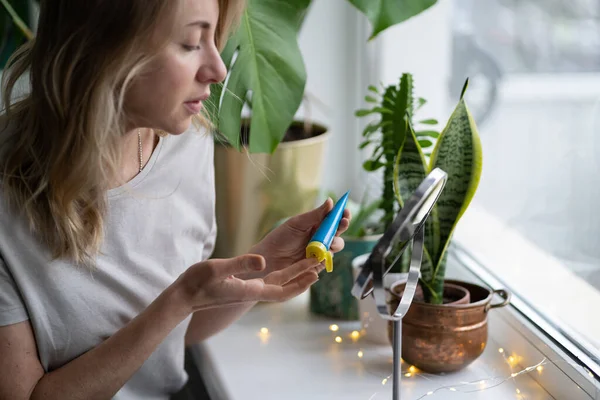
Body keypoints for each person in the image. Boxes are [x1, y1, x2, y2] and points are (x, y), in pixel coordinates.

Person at [0, 0, 351, 399]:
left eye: (214, 38)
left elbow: (178, 333)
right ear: (104, 47)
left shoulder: (189, 143)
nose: (218, 70)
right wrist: (179, 299)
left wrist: (264, 265)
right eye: (189, 43)